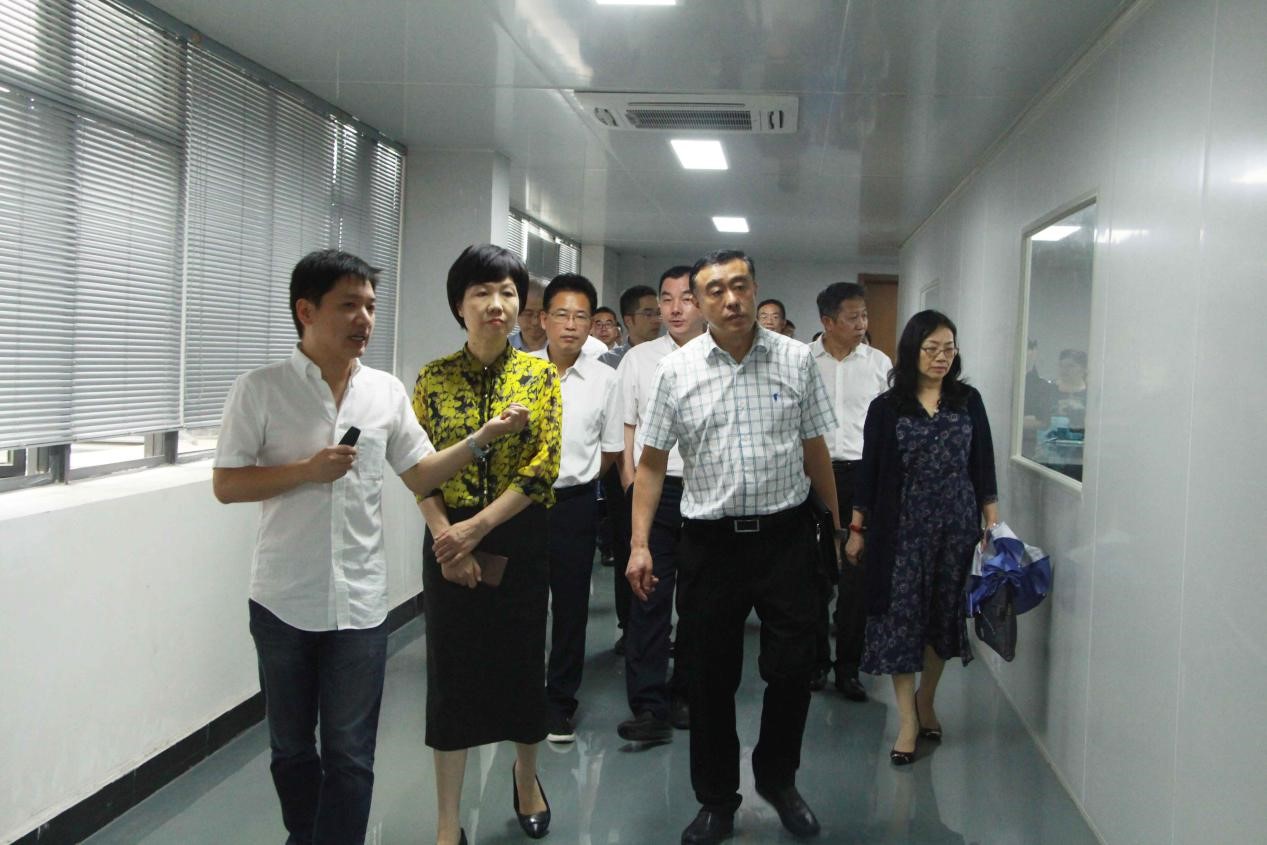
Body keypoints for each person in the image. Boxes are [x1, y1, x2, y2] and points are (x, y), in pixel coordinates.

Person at [212, 249, 528, 845]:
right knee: (291, 749)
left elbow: (420, 472)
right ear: (307, 311)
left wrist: (481, 439)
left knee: (352, 754)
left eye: (371, 306)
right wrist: (306, 471)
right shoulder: (260, 390)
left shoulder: (384, 392)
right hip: (283, 600)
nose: (364, 319)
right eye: (349, 305)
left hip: (360, 603)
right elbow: (227, 484)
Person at [629, 250, 841, 845]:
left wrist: (841, 526)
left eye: (740, 286)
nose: (731, 299)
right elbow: (650, 465)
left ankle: (778, 778)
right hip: (711, 546)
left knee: (794, 670)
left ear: (754, 289)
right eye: (716, 290)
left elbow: (816, 450)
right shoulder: (676, 371)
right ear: (699, 302)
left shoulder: (797, 360)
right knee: (708, 680)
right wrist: (640, 543)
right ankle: (716, 801)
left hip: (786, 539)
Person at [412, 244, 562, 845]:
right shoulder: (432, 378)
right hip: (446, 537)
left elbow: (542, 466)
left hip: (517, 534)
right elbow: (417, 468)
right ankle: (448, 822)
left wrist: (477, 530)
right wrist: (447, 537)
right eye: (482, 292)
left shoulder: (540, 376)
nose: (496, 304)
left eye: (507, 292)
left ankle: (526, 781)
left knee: (522, 667)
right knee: (451, 679)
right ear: (460, 305)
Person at [845, 310, 1000, 766]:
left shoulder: (968, 401)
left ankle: (926, 698)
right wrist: (857, 529)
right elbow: (869, 474)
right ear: (912, 351)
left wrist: (992, 524)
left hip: (956, 528)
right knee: (900, 620)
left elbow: (983, 465)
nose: (940, 357)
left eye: (948, 348)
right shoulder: (887, 407)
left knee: (941, 619)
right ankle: (907, 720)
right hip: (901, 531)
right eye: (931, 348)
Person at [527, 273, 624, 744]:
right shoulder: (516, 371)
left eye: (581, 316)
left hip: (574, 504)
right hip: (519, 504)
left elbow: (610, 450)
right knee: (522, 602)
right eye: (561, 315)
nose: (571, 325)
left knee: (570, 606)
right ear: (543, 319)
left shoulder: (606, 379)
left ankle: (559, 701)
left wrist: (579, 477)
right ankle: (519, 693)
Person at [614, 265, 703, 743]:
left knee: (698, 602)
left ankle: (686, 692)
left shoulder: (720, 357)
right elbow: (627, 427)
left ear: (702, 303)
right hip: (656, 491)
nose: (674, 308)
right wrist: (631, 487)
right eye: (666, 299)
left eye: (685, 298)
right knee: (648, 596)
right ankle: (648, 705)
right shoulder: (639, 359)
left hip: (707, 494)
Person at [809, 282, 892, 701]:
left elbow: (889, 430)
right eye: (852, 317)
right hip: (810, 477)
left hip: (861, 478)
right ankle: (816, 663)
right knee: (813, 576)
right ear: (827, 321)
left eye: (865, 316)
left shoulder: (879, 364)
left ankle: (848, 668)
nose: (862, 324)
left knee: (856, 578)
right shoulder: (803, 361)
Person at [598, 283, 664, 656]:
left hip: (661, 470)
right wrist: (626, 478)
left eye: (658, 312)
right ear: (629, 320)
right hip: (622, 469)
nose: (657, 319)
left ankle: (657, 629)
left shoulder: (670, 356)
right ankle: (629, 627)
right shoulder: (609, 363)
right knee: (629, 547)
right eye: (648, 313)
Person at [509, 275, 548, 352]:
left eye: (542, 314)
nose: (535, 322)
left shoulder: (563, 349)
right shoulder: (501, 350)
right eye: (528, 314)